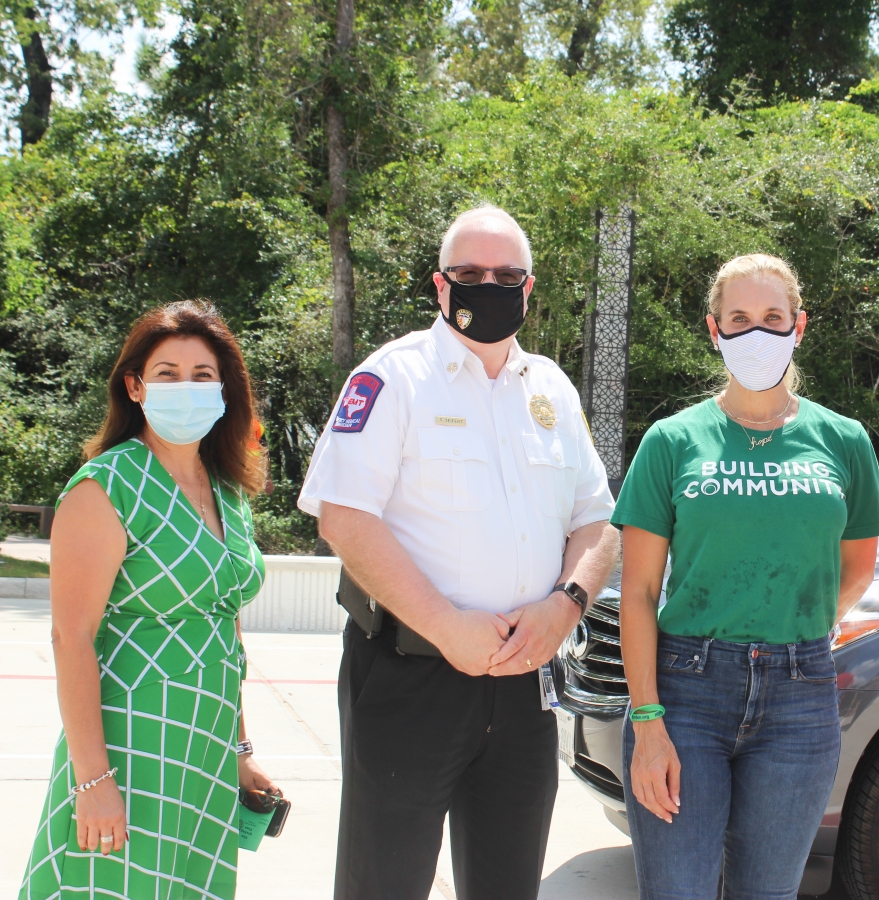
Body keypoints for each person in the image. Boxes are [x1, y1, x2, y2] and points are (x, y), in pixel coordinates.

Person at [298, 204, 620, 900]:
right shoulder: (393, 379)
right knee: (382, 884)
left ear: (529, 290)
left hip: (525, 680)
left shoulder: (553, 392)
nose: (489, 285)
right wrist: (448, 628)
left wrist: (563, 611)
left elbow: (598, 522)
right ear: (440, 287)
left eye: (506, 274)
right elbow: (344, 520)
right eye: (470, 273)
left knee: (508, 885)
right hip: (409, 676)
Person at [612, 253, 879, 899]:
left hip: (800, 696)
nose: (756, 332)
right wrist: (648, 722)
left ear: (800, 326)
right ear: (715, 331)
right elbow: (640, 592)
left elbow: (857, 568)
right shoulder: (672, 441)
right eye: (740, 318)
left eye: (773, 317)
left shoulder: (844, 440)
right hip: (684, 695)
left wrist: (798, 635)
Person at [20, 301, 278, 899]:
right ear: (136, 386)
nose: (185, 388)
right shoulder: (104, 487)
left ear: (224, 389)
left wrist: (240, 749)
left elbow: (226, 628)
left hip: (204, 747)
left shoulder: (227, 490)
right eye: (167, 374)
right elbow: (72, 636)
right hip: (129, 739)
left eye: (202, 375)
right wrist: (92, 781)